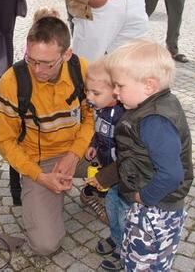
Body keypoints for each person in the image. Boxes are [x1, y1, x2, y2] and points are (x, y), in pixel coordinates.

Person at [0, 16, 94, 255]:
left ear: (67, 54)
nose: (38, 70)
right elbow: (4, 141)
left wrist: (72, 155)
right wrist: (41, 177)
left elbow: (91, 118)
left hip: (78, 153)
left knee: (125, 156)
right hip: (40, 163)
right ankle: (48, 194)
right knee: (45, 245)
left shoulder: (81, 69)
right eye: (32, 60)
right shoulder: (12, 81)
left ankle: (97, 190)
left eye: (47, 64)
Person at [104, 39, 193, 271]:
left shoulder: (155, 121)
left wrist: (144, 197)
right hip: (155, 204)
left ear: (148, 86)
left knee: (143, 262)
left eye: (120, 86)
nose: (114, 91)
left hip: (157, 209)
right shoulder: (155, 105)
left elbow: (172, 174)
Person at [82, 58, 127, 271]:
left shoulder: (124, 116)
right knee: (111, 206)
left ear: (116, 91)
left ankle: (124, 250)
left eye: (96, 93)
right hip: (109, 175)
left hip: (124, 177)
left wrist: (105, 177)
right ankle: (116, 237)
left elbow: (130, 157)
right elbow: (100, 131)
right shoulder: (100, 108)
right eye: (87, 91)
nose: (89, 98)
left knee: (124, 213)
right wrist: (93, 144)